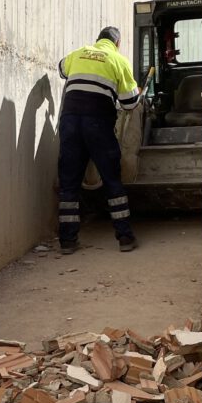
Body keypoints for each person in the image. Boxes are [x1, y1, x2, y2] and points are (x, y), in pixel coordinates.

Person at [56, 26, 141, 254]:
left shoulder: (79, 52)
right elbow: (130, 103)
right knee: (112, 180)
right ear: (117, 43)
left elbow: (61, 69)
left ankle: (67, 241)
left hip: (70, 122)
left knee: (69, 183)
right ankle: (124, 237)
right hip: (98, 124)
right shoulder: (118, 60)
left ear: (97, 40)